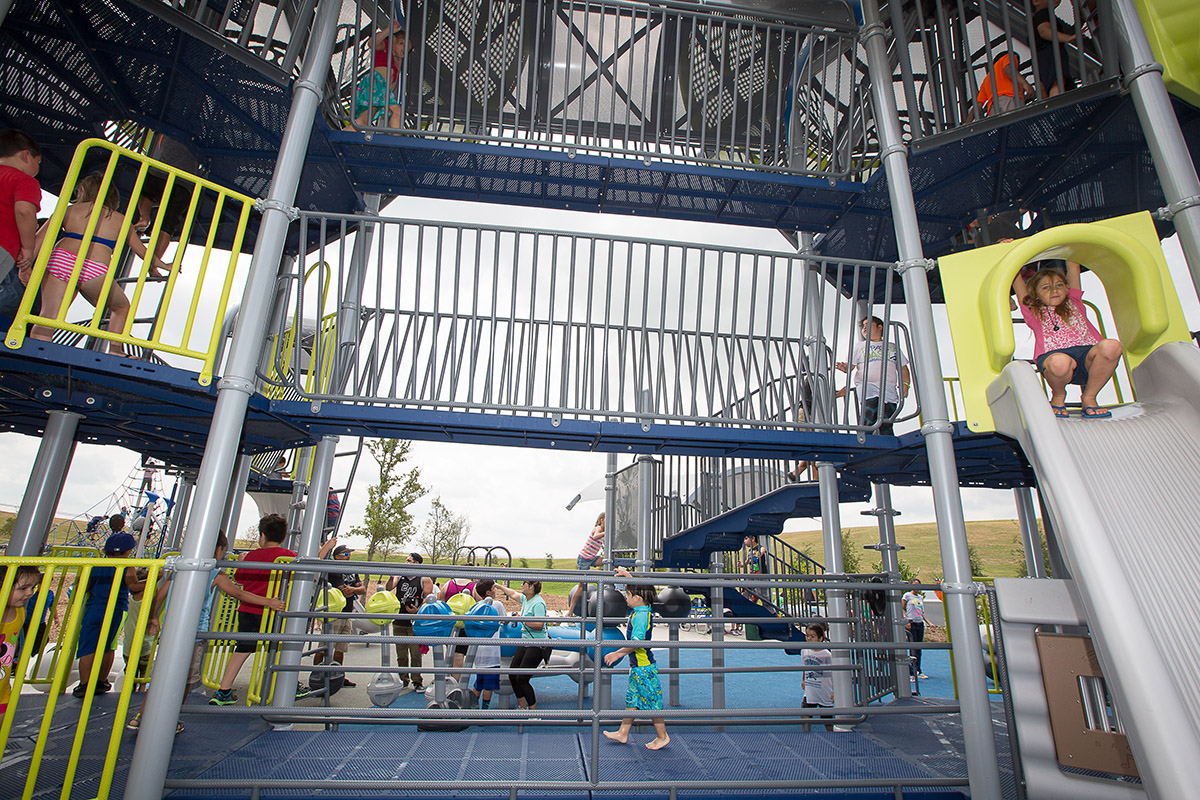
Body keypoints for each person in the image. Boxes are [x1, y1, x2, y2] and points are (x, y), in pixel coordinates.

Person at [128, 533, 284, 731]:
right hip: (194, 635)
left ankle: (141, 716)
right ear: (218, 550)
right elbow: (238, 593)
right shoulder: (215, 573)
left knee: (161, 676)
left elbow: (160, 596)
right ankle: (170, 719)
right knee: (185, 680)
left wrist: (153, 617)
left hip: (171, 631)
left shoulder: (181, 569)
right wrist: (269, 602)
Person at [30, 174, 169, 354]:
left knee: (49, 314)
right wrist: (165, 265)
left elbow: (40, 238)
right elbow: (143, 252)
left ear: (82, 190)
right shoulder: (120, 219)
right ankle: (115, 350)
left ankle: (36, 350)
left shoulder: (70, 210)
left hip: (62, 259)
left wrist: (25, 266)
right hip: (93, 267)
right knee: (121, 307)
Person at [1013, 260, 1122, 418]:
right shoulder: (1033, 310)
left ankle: (1089, 397)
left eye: (1059, 285)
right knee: (1060, 362)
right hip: (1054, 360)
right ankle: (1058, 396)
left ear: (1066, 288)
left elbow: (1073, 267)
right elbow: (1016, 279)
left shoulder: (1074, 301)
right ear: (1035, 294)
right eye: (1046, 287)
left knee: (1112, 346)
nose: (1054, 290)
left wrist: (1069, 248)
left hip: (1087, 357)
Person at [210, 514, 295, 706]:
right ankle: (289, 685)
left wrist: (242, 561)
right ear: (282, 537)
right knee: (280, 649)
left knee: (243, 648)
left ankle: (224, 689)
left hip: (248, 609)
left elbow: (240, 579)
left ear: (262, 536)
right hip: (275, 611)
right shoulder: (288, 556)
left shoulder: (252, 557)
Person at [74, 531, 147, 697]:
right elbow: (133, 586)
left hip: (94, 607)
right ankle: (101, 681)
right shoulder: (126, 566)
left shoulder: (96, 564)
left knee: (88, 646)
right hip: (116, 609)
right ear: (128, 550)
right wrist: (153, 578)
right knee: (109, 645)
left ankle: (84, 683)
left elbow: (84, 586)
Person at [602, 567, 669, 750]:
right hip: (638, 666)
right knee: (632, 700)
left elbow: (636, 642)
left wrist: (618, 653)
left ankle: (662, 736)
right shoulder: (643, 608)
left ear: (638, 598)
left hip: (644, 668)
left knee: (652, 702)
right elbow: (639, 589)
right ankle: (623, 732)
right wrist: (628, 576)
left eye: (628, 595)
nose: (626, 597)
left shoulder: (641, 616)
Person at [836, 316, 910, 435]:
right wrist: (844, 368)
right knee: (870, 410)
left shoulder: (892, 347)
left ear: (880, 327)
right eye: (863, 326)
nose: (864, 328)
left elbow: (903, 368)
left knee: (887, 417)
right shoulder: (859, 346)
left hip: (888, 387)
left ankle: (887, 437)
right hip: (867, 385)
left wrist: (905, 384)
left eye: (868, 325)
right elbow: (850, 366)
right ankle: (866, 435)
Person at [0, 130, 42, 320]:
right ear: (26, 155)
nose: (37, 168)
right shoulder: (23, 180)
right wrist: (27, 248)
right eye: (38, 162)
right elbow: (24, 211)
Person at [312, 541, 365, 687]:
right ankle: (316, 676)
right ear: (336, 556)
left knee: (341, 648)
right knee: (324, 647)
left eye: (349, 554)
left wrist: (353, 590)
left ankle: (338, 676)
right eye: (345, 554)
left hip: (347, 613)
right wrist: (353, 589)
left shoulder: (352, 570)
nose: (348, 556)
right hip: (334, 613)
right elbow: (345, 591)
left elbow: (362, 589)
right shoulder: (333, 569)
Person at [496, 579, 550, 711]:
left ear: (531, 587)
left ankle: (533, 712)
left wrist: (522, 619)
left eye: (524, 583)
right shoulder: (526, 599)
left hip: (537, 644)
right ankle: (522, 707)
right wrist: (497, 586)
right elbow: (512, 593)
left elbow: (539, 625)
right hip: (526, 642)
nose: (521, 585)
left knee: (522, 679)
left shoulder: (538, 603)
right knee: (512, 674)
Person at [386, 552, 433, 691]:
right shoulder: (400, 576)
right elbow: (389, 588)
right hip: (399, 620)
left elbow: (428, 597)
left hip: (414, 621)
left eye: (409, 560)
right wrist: (390, 577)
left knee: (415, 654)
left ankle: (417, 681)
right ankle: (403, 679)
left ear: (416, 563)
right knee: (401, 654)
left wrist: (417, 610)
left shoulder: (424, 578)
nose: (406, 562)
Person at [1, 566, 42, 714]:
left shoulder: (20, 612)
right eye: (23, 588)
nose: (30, 593)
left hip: (3, 689)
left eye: (33, 587)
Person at [352, 22, 409, 129]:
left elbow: (393, 81)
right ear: (393, 40)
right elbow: (371, 43)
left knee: (363, 121)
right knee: (397, 112)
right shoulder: (386, 46)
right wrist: (389, 31)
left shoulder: (397, 61)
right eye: (402, 44)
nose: (404, 49)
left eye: (408, 49)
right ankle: (394, 137)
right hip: (377, 85)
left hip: (380, 91)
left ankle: (344, 132)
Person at [1032, 0, 1082, 97]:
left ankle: (1053, 100)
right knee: (1057, 81)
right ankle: (1056, 99)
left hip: (1044, 54)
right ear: (1036, 1)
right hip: (1050, 52)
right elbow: (1044, 31)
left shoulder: (1039, 17)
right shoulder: (1043, 13)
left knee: (1052, 83)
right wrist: (1068, 38)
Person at [469, 583, 507, 708]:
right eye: (493, 588)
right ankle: (485, 711)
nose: (495, 590)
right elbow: (505, 620)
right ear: (488, 592)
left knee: (479, 682)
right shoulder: (497, 605)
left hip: (478, 651)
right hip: (492, 652)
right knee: (489, 685)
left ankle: (472, 707)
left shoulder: (475, 606)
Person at [451, 579, 495, 684]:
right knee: (460, 655)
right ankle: (456, 683)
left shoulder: (449, 584)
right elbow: (480, 604)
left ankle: (452, 681)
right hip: (469, 626)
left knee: (454, 655)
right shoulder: (473, 587)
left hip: (455, 624)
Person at [567, 512, 605, 615]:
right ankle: (570, 612)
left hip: (591, 558)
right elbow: (596, 536)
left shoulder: (603, 532)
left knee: (608, 561)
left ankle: (612, 584)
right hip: (584, 559)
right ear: (602, 520)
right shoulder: (597, 528)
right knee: (581, 587)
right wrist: (606, 533)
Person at [800, 622, 834, 731]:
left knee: (827, 721)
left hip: (824, 691)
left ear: (820, 638)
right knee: (805, 716)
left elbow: (834, 673)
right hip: (810, 691)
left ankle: (832, 737)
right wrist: (803, 679)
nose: (809, 639)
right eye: (807, 635)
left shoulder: (827, 655)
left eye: (812, 636)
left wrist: (835, 691)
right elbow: (805, 666)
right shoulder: (804, 651)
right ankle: (805, 737)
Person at [902, 580, 928, 680]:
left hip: (919, 623)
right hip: (911, 623)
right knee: (913, 648)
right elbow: (902, 608)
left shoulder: (920, 597)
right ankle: (912, 672)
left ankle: (918, 670)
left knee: (918, 648)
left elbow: (921, 612)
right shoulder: (907, 595)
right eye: (914, 585)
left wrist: (929, 623)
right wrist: (906, 620)